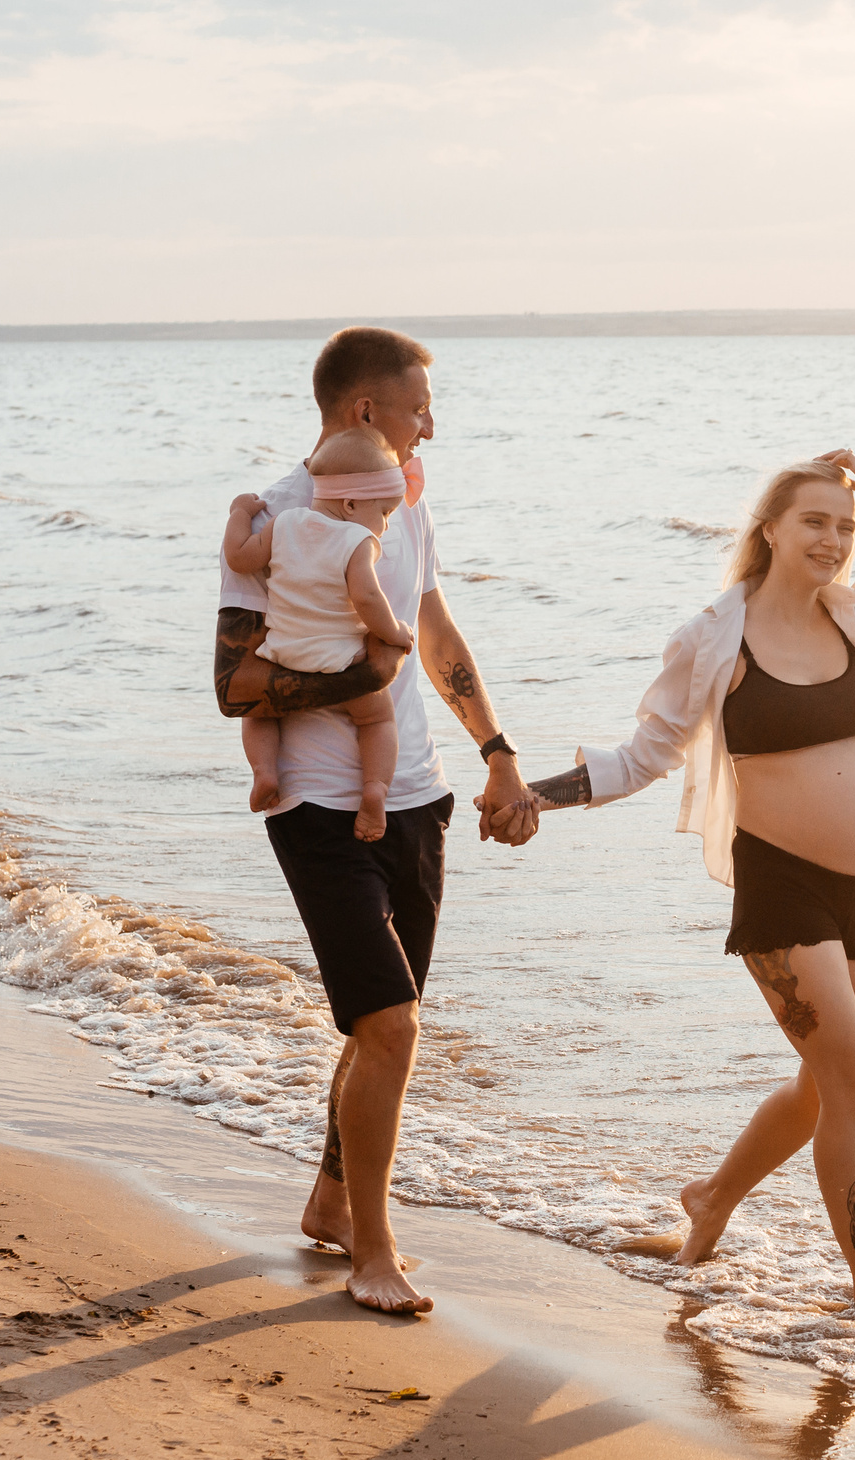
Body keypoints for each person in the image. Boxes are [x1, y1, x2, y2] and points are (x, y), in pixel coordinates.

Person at [518, 451, 855, 1317]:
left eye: (845, 527)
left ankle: (713, 1196)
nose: (833, 539)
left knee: (824, 1086)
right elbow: (647, 752)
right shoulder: (713, 637)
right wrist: (538, 793)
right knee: (854, 1085)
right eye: (814, 521)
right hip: (782, 888)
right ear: (768, 529)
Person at [212, 325, 541, 1315]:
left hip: (419, 798)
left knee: (376, 1028)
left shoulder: (398, 503)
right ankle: (373, 1248)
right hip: (317, 806)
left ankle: (329, 1200)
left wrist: (495, 751)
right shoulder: (275, 521)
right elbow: (235, 684)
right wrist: (364, 675)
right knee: (391, 1025)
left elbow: (433, 628)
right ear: (365, 410)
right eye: (416, 409)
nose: (429, 426)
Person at [221, 428, 417, 841]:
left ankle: (264, 772)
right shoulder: (357, 540)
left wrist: (239, 513)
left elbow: (239, 559)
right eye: (383, 512)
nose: (383, 525)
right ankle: (375, 790)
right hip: (341, 660)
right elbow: (367, 596)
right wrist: (395, 630)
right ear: (350, 504)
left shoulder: (283, 523)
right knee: (378, 719)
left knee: (259, 714)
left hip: (282, 653)